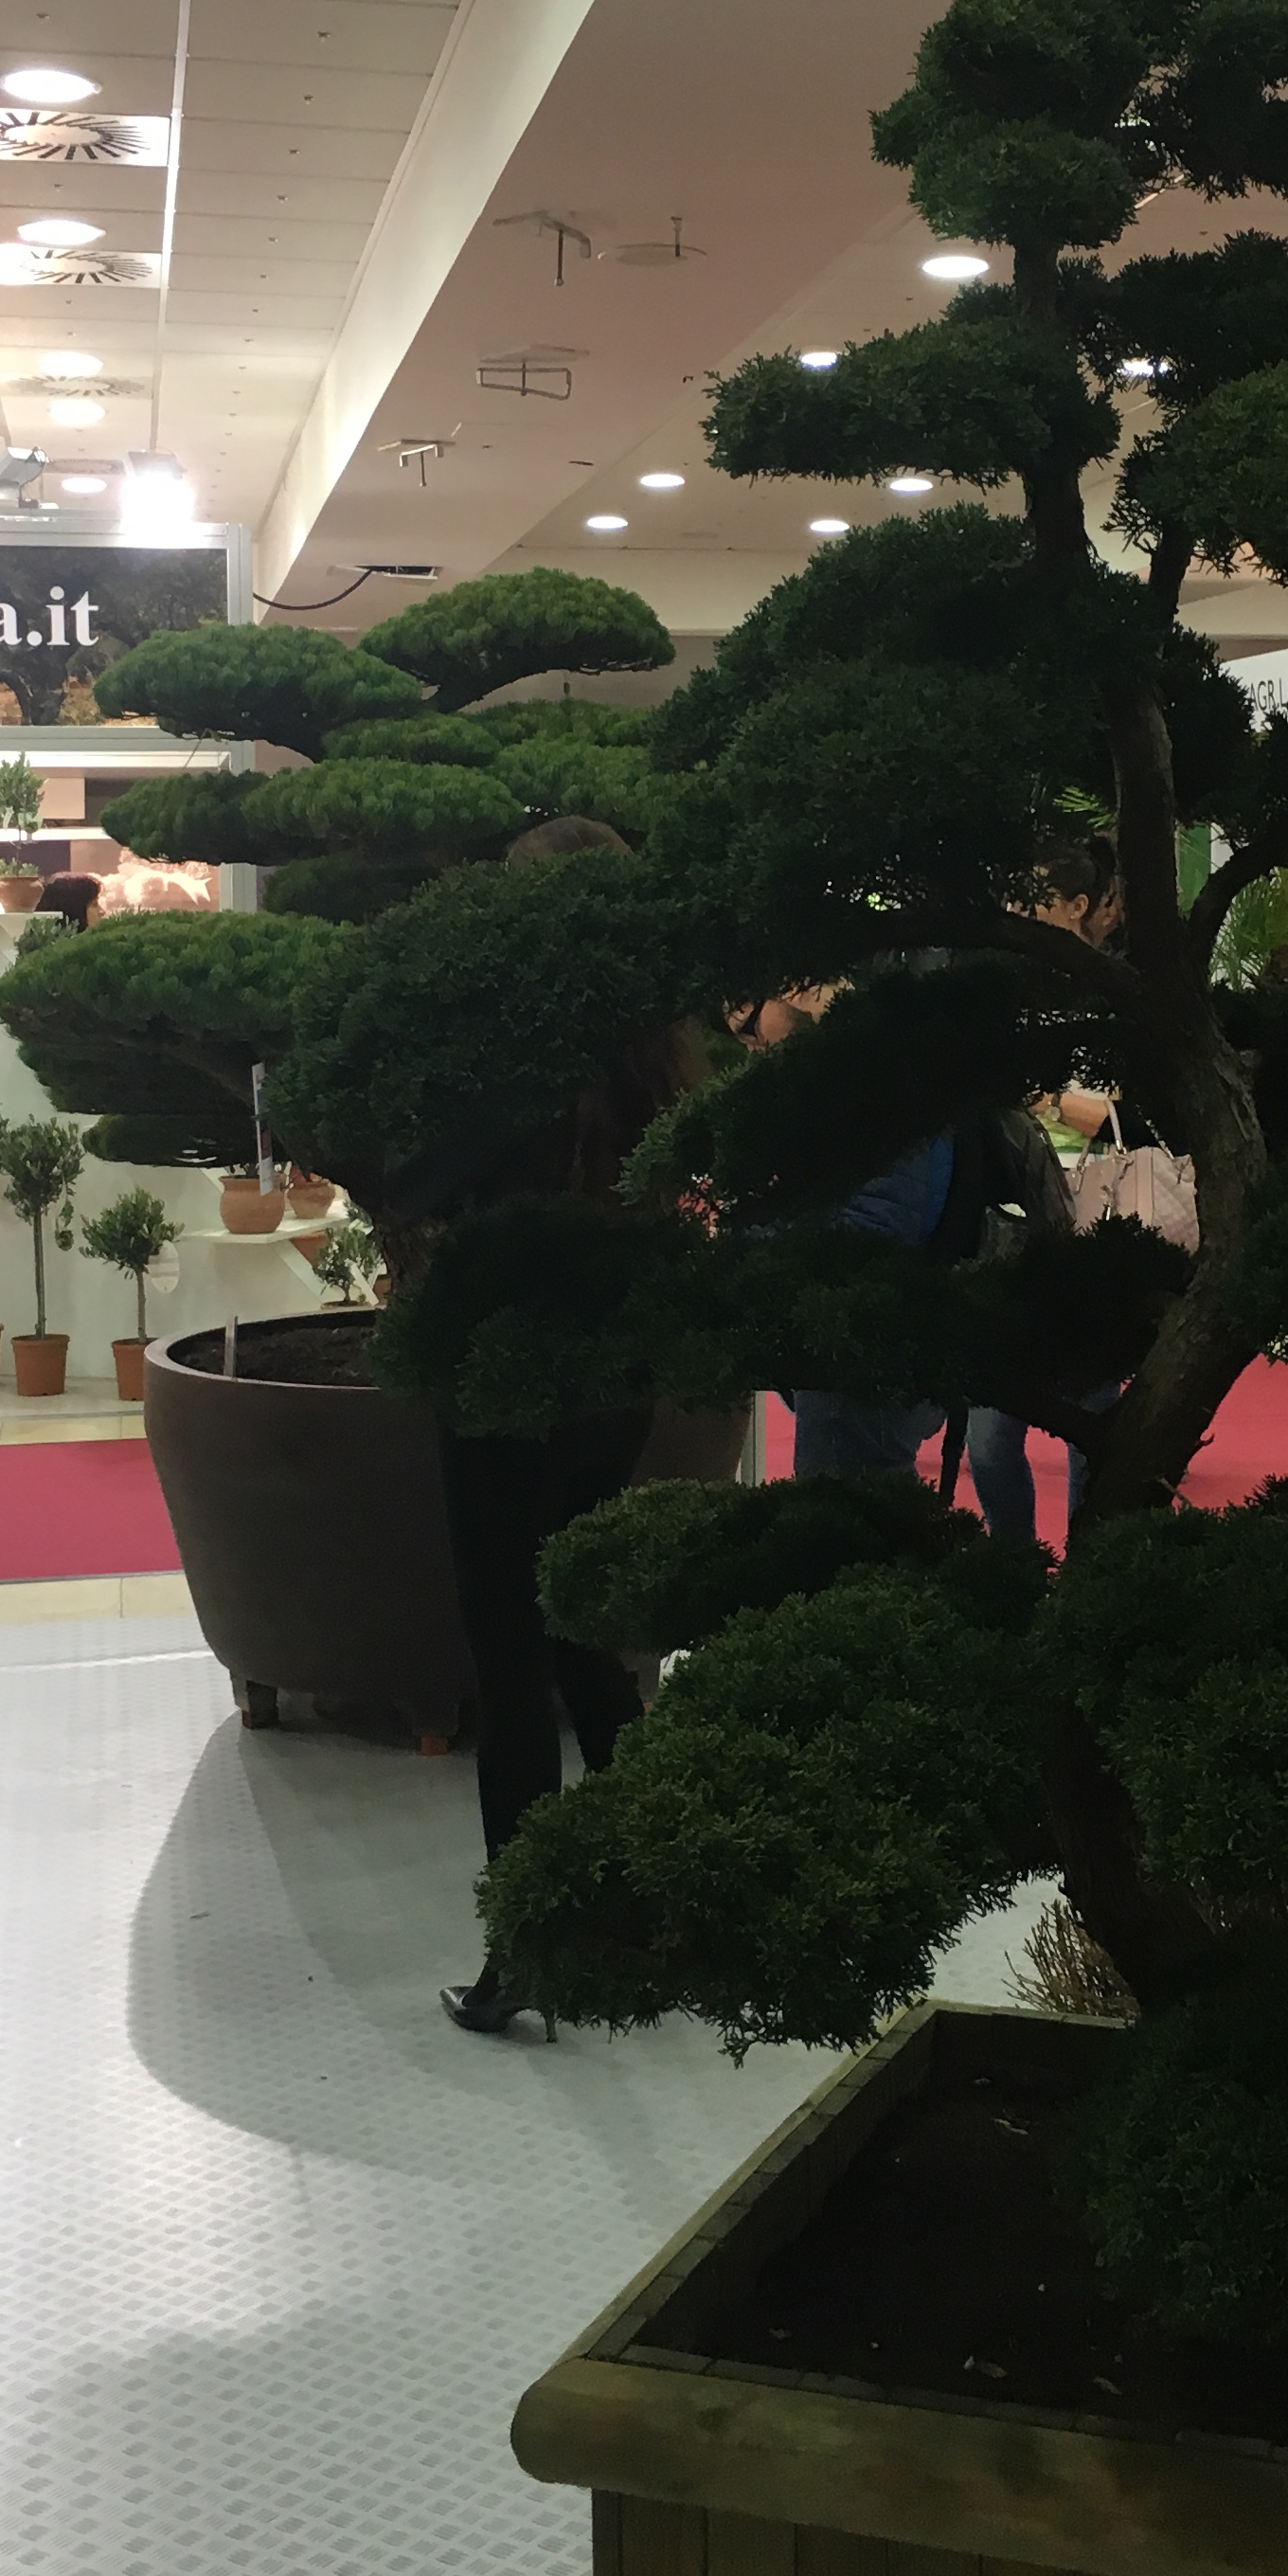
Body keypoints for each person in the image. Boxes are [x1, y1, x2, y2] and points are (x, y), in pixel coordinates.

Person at [421, 819, 706, 2041]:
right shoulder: (654, 1055)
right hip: (615, 1377)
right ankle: (647, 1909)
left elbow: (438, 1189)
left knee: (511, 1657)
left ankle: (530, 1941)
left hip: (501, 1378)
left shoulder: (504, 1059)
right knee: (587, 1634)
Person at [966, 831, 1128, 1546]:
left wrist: (1050, 1099)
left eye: (1031, 894)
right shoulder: (1000, 991)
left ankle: (1091, 1561)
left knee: (1093, 1416)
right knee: (989, 1434)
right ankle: (1016, 1562)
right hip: (1011, 1222)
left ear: (1076, 906)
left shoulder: (1113, 996)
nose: (1015, 907)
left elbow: (1126, 1113)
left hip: (1093, 1222)